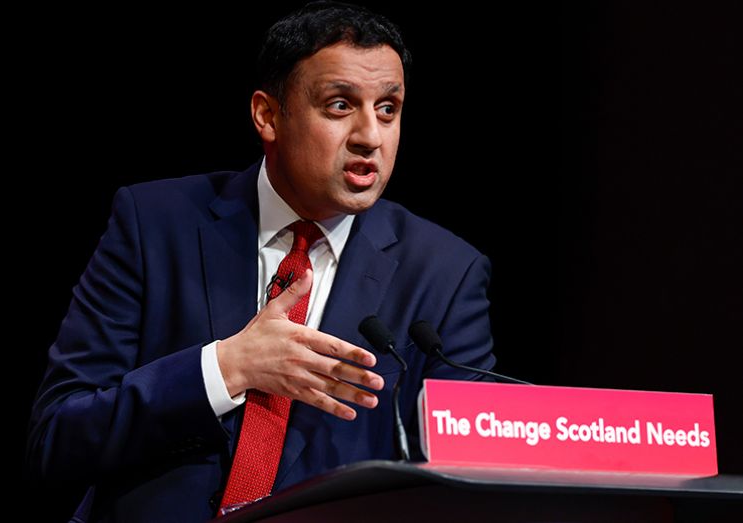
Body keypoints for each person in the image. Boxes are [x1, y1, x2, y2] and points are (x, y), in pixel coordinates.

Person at [27, 2, 495, 521]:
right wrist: (226, 368)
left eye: (388, 108)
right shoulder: (154, 224)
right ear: (268, 115)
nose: (371, 135)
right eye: (341, 105)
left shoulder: (445, 272)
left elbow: (475, 466)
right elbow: (58, 438)